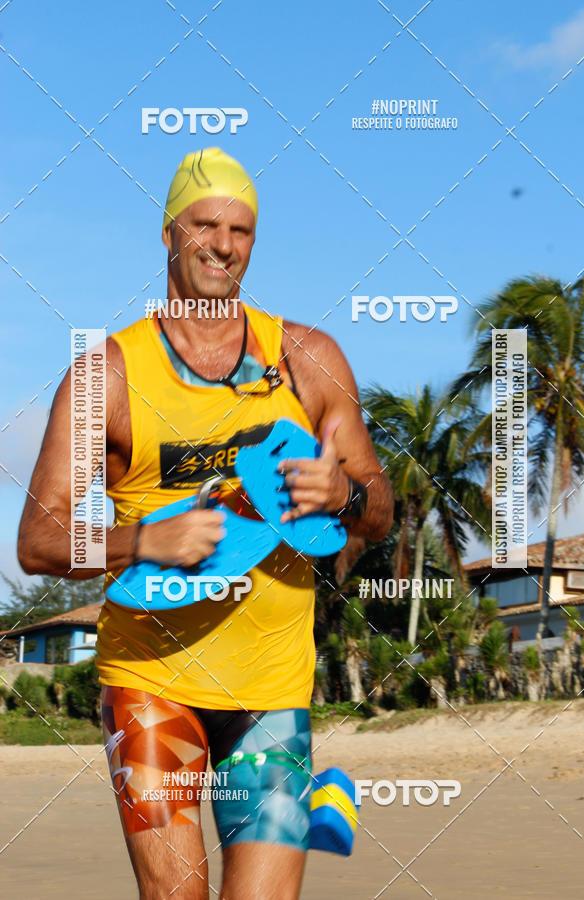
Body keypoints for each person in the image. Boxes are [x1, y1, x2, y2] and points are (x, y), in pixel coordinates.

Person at [18, 147, 394, 899]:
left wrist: (344, 497)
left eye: (240, 229)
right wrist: (141, 541)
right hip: (152, 681)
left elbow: (379, 511)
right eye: (205, 225)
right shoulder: (107, 376)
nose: (223, 244)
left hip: (272, 689)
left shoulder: (309, 359)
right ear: (169, 234)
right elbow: (40, 541)